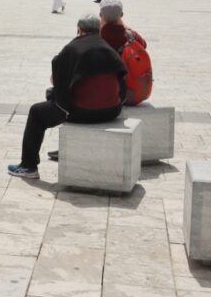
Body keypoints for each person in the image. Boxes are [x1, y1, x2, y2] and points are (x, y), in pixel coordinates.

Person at [7, 14, 127, 178]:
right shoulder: (108, 48)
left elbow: (57, 82)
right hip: (112, 110)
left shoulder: (72, 48)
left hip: (82, 112)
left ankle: (28, 166)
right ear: (98, 30)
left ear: (79, 29)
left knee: (36, 112)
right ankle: (68, 152)